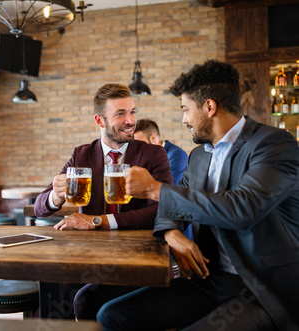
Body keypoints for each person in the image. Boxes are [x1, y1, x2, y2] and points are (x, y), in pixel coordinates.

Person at [97, 59, 299, 330]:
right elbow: (171, 207)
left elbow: (242, 210)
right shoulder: (199, 156)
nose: (183, 119)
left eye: (185, 109)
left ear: (209, 107)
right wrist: (172, 234)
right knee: (112, 315)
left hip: (263, 289)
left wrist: (154, 189)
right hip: (211, 279)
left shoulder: (274, 145)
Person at [33, 83, 173, 320]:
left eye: (132, 112)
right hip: (90, 257)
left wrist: (97, 221)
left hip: (138, 257)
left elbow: (164, 209)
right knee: (52, 298)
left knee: (84, 299)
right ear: (100, 120)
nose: (130, 120)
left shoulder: (153, 154)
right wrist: (55, 197)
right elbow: (39, 208)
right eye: (120, 114)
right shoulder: (82, 155)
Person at [134, 118, 188, 186]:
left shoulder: (178, 155)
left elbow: (169, 187)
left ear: (153, 138)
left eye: (140, 143)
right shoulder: (145, 156)